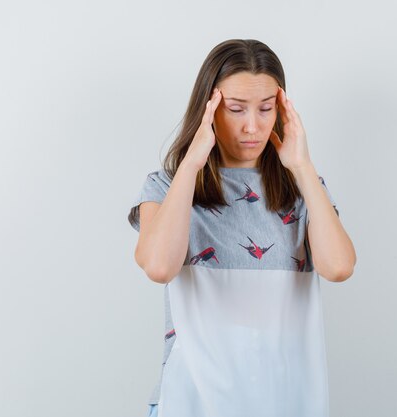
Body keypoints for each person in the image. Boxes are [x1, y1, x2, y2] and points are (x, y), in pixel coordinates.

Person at [128, 39, 356, 417]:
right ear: (209, 108)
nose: (253, 126)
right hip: (191, 399)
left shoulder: (304, 189)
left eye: (266, 109)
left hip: (283, 398)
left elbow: (339, 267)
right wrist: (191, 164)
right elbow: (158, 267)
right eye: (236, 109)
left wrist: (302, 167)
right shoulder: (167, 185)